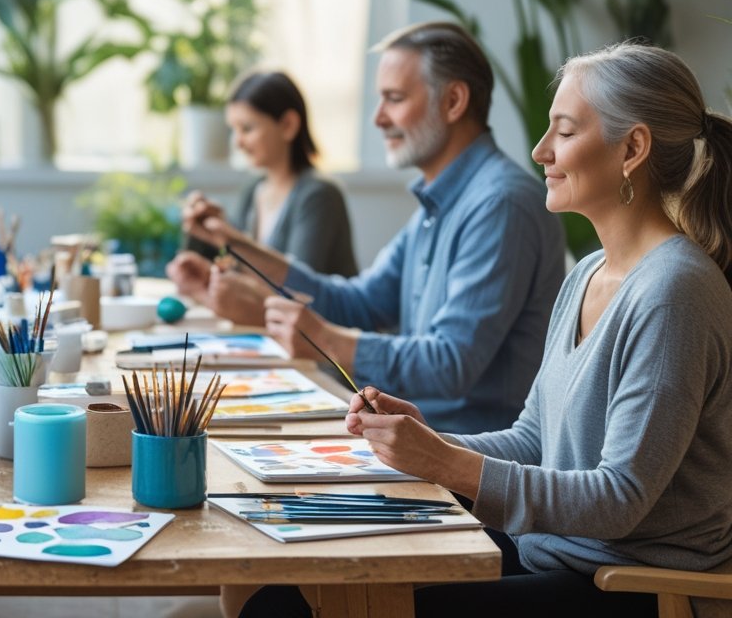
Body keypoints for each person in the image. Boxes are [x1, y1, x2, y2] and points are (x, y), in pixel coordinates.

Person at [243, 42, 732, 618]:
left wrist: (447, 464)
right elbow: (533, 440)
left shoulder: (675, 292)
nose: (540, 149)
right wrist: (429, 442)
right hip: (555, 554)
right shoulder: (586, 275)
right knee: (284, 595)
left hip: (625, 585)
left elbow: (618, 500)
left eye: (565, 132)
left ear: (633, 149)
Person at [189, 22, 566, 434]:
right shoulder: (438, 202)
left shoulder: (500, 204)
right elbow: (361, 303)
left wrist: (327, 340)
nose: (378, 118)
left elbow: (451, 364)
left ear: (454, 101)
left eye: (395, 99)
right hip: (413, 440)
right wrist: (235, 242)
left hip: (464, 465)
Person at [167, 70, 358, 324]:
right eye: (233, 130)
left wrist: (233, 243)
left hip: (319, 351)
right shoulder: (253, 189)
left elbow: (299, 293)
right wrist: (205, 234)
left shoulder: (319, 195)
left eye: (247, 128)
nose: (238, 143)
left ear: (288, 125)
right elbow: (238, 274)